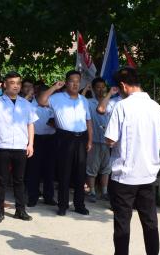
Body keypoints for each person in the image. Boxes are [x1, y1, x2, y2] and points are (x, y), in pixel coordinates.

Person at [98, 67, 160, 255]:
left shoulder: (122, 107)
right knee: (150, 222)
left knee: (122, 223)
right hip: (148, 174)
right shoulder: (156, 107)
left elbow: (110, 139)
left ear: (122, 86)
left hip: (124, 176)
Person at [0, 72, 37, 223]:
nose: (16, 86)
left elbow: (30, 124)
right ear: (5, 84)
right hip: (3, 146)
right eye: (12, 83)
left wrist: (31, 144)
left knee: (19, 180)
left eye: (18, 83)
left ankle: (20, 210)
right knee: (1, 180)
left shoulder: (25, 103)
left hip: (20, 146)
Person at [38, 70, 93, 216]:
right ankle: (62, 205)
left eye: (78, 81)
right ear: (66, 82)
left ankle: (79, 204)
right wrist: (54, 87)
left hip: (81, 137)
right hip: (64, 138)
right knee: (64, 172)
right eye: (72, 81)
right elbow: (41, 101)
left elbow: (88, 121)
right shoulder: (57, 98)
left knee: (80, 173)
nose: (75, 84)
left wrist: (90, 140)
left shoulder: (83, 100)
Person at [26, 81, 56, 206]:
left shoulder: (52, 105)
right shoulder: (30, 105)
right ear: (37, 94)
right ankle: (33, 196)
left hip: (50, 139)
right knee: (34, 170)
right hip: (36, 140)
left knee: (49, 169)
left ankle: (49, 197)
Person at [86, 77, 112, 201]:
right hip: (94, 140)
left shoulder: (111, 102)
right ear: (93, 89)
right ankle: (92, 191)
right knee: (92, 167)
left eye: (103, 87)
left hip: (108, 141)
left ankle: (105, 192)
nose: (101, 90)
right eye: (98, 87)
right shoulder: (89, 102)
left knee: (106, 168)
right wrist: (85, 90)